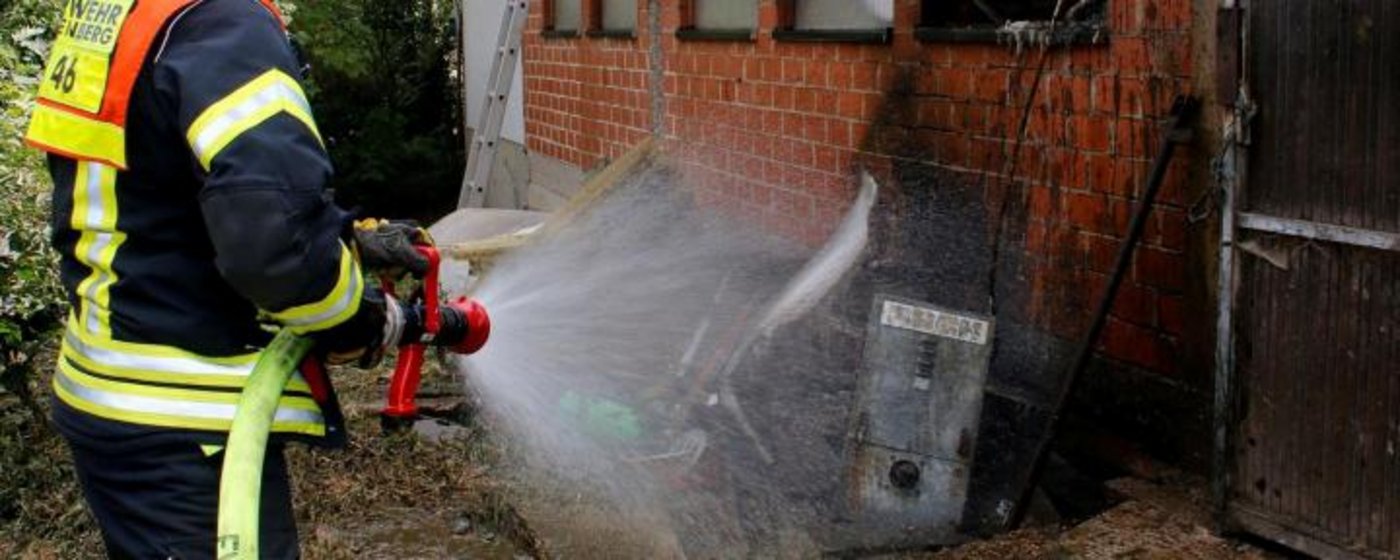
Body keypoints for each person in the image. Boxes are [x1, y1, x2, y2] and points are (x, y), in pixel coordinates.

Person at [25, 0, 424, 557]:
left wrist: (346, 240)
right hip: (189, 426)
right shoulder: (222, 20)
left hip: (108, 394)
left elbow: (155, 185)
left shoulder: (123, 11)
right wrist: (360, 317)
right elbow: (276, 253)